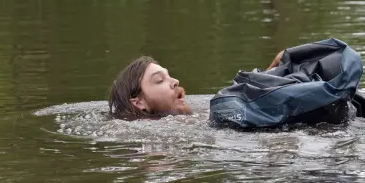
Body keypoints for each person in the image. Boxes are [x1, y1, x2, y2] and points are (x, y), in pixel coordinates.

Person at [108, 52, 284, 119]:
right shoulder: (154, 133)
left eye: (169, 76)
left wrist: (272, 70)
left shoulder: (195, 117)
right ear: (139, 103)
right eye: (160, 80)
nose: (175, 81)